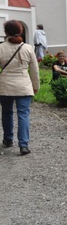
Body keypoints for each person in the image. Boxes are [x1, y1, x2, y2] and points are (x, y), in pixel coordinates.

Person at [0, 20, 40, 155]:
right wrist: (36, 86)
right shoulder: (28, 48)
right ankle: (23, 145)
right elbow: (34, 70)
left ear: (5, 32)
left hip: (5, 86)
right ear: (21, 31)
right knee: (23, 114)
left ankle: (8, 139)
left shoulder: (1, 48)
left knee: (6, 113)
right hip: (24, 85)